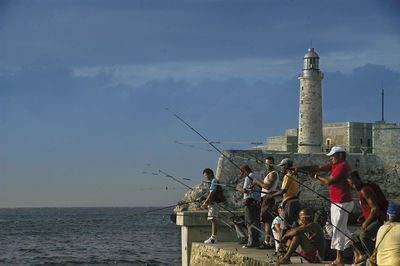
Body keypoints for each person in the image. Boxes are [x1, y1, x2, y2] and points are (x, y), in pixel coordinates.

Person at [292, 146, 353, 266]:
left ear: (340, 155)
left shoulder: (342, 166)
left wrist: (315, 176)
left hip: (342, 202)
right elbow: (319, 167)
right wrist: (300, 169)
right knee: (344, 231)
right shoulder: (335, 164)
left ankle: (339, 260)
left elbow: (329, 181)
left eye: (333, 155)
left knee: (338, 231)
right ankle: (358, 254)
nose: (331, 158)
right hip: (337, 202)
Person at [347, 171, 386, 264]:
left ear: (358, 180)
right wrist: (363, 217)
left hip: (378, 221)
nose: (353, 185)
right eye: (351, 184)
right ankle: (365, 256)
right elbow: (369, 208)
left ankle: (375, 257)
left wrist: (366, 222)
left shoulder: (364, 191)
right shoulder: (361, 190)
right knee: (353, 237)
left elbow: (375, 208)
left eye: (354, 182)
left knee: (364, 236)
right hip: (371, 220)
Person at [262, 158, 301, 230]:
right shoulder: (295, 176)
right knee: (294, 225)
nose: (281, 168)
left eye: (282, 166)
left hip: (289, 203)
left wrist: (270, 195)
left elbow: (283, 191)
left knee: (285, 225)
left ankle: (284, 240)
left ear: (285, 166)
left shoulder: (287, 176)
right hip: (296, 202)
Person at [252, 156, 279, 249]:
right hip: (264, 199)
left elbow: (267, 187)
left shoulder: (273, 174)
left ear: (273, 163)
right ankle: (270, 242)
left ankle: (267, 242)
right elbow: (265, 187)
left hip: (268, 200)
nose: (268, 165)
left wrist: (257, 181)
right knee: (267, 221)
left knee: (268, 222)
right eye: (267, 163)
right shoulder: (269, 174)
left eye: (270, 163)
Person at [237, 164, 263, 248]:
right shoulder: (257, 175)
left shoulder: (249, 177)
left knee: (249, 222)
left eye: (243, 173)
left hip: (249, 202)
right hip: (257, 202)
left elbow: (245, 190)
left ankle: (251, 243)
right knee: (256, 222)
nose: (243, 175)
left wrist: (238, 189)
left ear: (245, 171)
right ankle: (256, 241)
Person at [197, 168, 219, 244]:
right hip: (211, 203)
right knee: (212, 219)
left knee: (213, 219)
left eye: (206, 175)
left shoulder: (214, 181)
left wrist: (204, 203)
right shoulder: (212, 181)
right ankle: (213, 237)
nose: (205, 177)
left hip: (213, 203)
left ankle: (213, 238)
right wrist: (202, 197)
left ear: (210, 174)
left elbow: (211, 193)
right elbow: (208, 193)